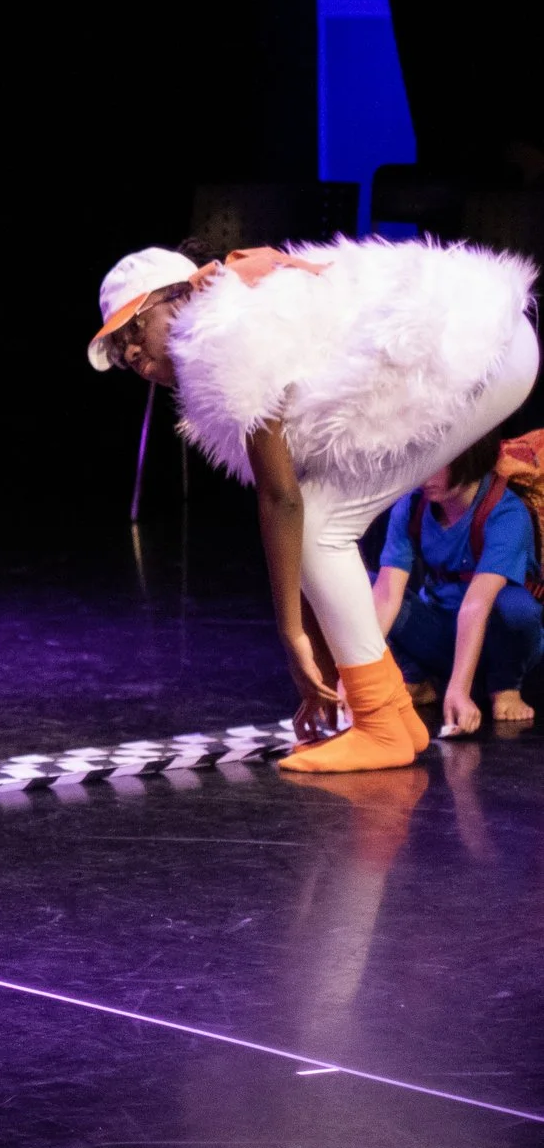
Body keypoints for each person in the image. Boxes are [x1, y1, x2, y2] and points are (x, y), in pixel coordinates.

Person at [90, 238, 538, 771]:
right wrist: (323, 675)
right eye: (121, 349)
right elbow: (291, 502)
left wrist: (291, 638)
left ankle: (380, 725)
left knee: (323, 523)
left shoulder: (220, 333)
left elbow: (281, 502)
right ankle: (391, 715)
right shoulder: (225, 321)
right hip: (491, 340)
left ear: (181, 297)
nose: (133, 354)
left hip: (484, 347)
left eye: (136, 329)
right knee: (322, 520)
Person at [372, 433, 543, 734]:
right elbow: (387, 595)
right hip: (443, 635)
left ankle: (505, 685)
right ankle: (422, 679)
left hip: (497, 641)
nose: (424, 474)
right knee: (360, 591)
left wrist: (459, 691)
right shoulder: (412, 506)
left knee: (515, 607)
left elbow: (477, 605)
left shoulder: (506, 514)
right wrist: (357, 675)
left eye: (437, 463)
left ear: (468, 457)